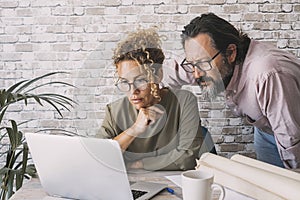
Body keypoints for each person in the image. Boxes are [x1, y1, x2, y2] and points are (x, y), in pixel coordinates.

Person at [164, 13, 300, 169]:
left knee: (290, 186)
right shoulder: (204, 62)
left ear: (230, 53)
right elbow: (168, 72)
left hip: (293, 134)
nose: (196, 74)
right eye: (191, 64)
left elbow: (291, 138)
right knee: (271, 183)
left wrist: (293, 180)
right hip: (266, 130)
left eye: (202, 63)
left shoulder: (267, 75)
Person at [96, 28, 206, 171]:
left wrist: (139, 165)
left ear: (158, 74)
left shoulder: (184, 101)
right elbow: (99, 156)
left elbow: (188, 157)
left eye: (141, 80)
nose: (132, 91)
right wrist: (135, 129)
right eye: (124, 82)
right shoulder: (114, 111)